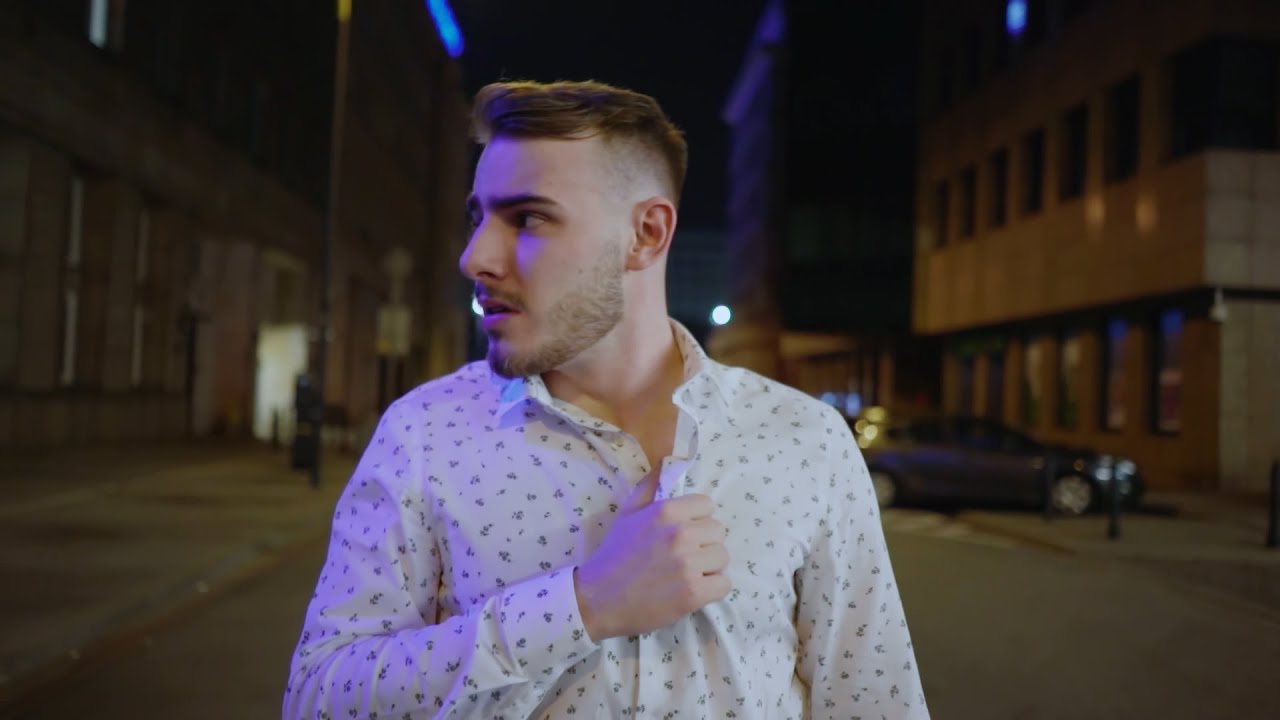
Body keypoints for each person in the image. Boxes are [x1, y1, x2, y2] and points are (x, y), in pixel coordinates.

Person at [284, 80, 928, 719]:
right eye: (478, 218)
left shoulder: (804, 439)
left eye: (528, 218)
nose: (474, 257)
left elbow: (875, 702)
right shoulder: (425, 432)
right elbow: (318, 698)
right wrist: (581, 606)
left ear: (646, 233)